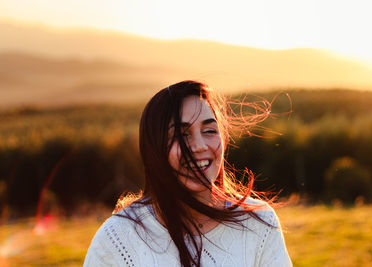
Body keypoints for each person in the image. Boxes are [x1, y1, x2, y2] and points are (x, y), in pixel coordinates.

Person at [84, 80, 292, 267]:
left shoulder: (258, 222)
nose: (199, 146)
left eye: (209, 131)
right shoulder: (118, 239)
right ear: (154, 150)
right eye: (181, 135)